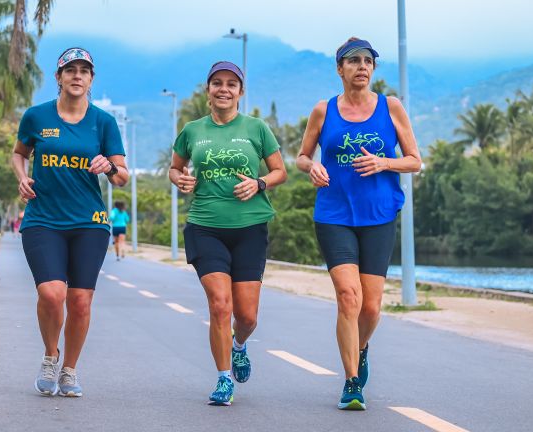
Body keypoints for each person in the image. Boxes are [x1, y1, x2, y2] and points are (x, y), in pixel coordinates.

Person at [296, 38, 421, 410]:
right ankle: (352, 382)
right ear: (340, 69)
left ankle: (361, 346)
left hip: (379, 214)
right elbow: (302, 157)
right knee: (349, 297)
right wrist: (313, 167)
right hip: (334, 214)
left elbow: (414, 160)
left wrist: (385, 163)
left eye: (368, 61)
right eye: (353, 61)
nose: (362, 67)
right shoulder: (323, 110)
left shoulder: (391, 107)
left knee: (371, 307)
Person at [11, 47, 128, 397]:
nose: (77, 76)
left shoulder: (103, 122)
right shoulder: (36, 117)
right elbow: (20, 153)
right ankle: (50, 355)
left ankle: (69, 370)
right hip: (43, 218)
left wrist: (108, 166)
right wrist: (22, 176)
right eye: (70, 70)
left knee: (79, 301)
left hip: (89, 222)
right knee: (51, 293)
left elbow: (121, 175)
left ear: (91, 80)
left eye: (84, 71)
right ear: (59, 77)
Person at [169, 61, 287, 406]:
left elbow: (280, 171)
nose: (224, 89)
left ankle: (239, 345)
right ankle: (223, 379)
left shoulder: (256, 128)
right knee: (220, 305)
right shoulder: (192, 130)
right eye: (217, 83)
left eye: (231, 84)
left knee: (247, 316)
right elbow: (175, 169)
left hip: (250, 228)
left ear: (240, 92)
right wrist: (181, 179)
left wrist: (259, 182)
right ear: (208, 90)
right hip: (205, 226)